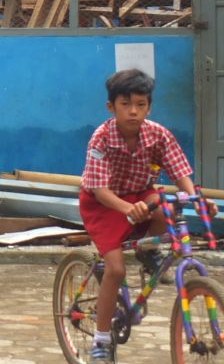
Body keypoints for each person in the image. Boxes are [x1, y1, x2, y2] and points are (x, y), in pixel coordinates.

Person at [79, 68, 202, 362]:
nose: (134, 111)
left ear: (149, 105)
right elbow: (99, 191)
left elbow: (180, 169)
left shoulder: (158, 134)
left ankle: (149, 251)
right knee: (117, 270)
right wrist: (126, 209)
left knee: (166, 206)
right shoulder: (101, 138)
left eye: (141, 104)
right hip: (103, 204)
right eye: (125, 104)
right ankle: (101, 340)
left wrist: (196, 197)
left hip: (140, 196)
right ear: (111, 107)